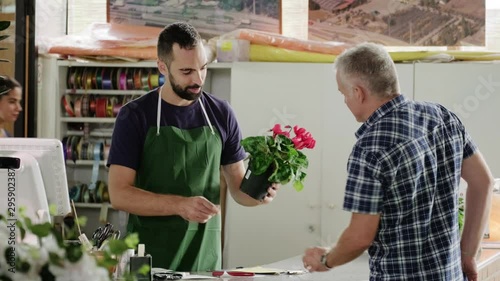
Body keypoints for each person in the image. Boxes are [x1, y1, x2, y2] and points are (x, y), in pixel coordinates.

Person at [302, 42, 493, 281]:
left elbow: (360, 237)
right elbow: (483, 182)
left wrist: (326, 260)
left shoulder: (370, 147)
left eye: (343, 93)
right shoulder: (442, 117)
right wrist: (467, 255)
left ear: (358, 92)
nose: (345, 101)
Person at [107, 22, 279, 271]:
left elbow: (239, 191)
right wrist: (179, 205)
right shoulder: (134, 116)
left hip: (204, 260)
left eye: (203, 68)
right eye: (187, 71)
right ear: (162, 67)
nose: (198, 79)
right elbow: (119, 194)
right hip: (149, 258)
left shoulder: (221, 113)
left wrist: (261, 194)